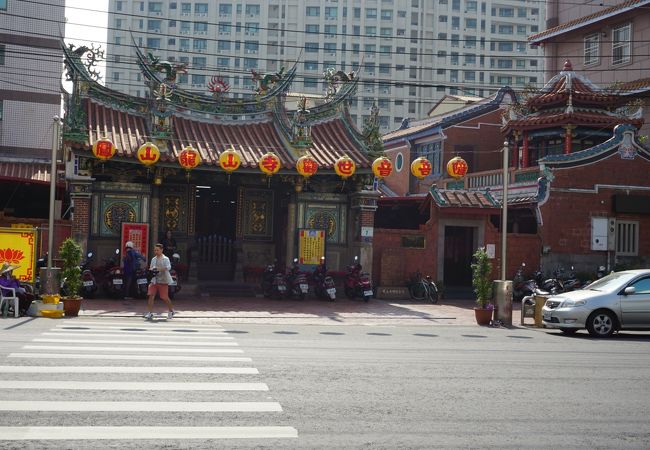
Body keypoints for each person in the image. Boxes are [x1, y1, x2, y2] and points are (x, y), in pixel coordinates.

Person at [144, 243, 176, 320]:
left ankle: (171, 311)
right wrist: (152, 270)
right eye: (155, 250)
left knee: (164, 297)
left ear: (161, 250)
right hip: (154, 280)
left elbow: (168, 267)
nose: (156, 251)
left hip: (163, 280)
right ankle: (150, 313)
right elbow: (151, 267)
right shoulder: (153, 259)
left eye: (157, 250)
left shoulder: (166, 259)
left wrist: (158, 269)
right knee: (151, 296)